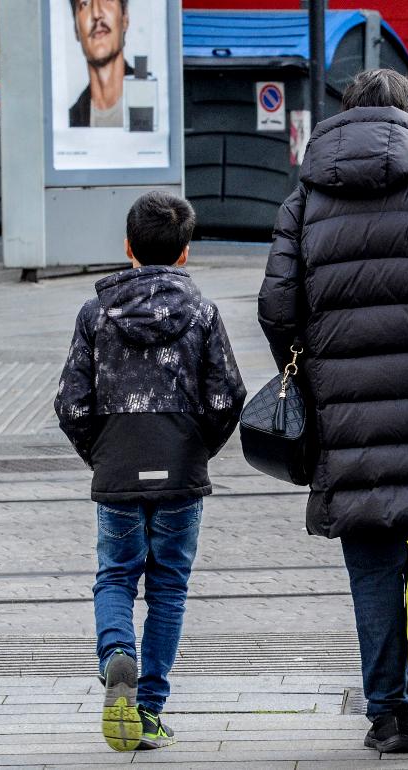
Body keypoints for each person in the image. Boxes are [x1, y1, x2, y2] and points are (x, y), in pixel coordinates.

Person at [258, 68, 408, 754]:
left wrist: (311, 366)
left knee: (370, 570)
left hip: (346, 420)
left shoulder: (303, 201)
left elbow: (276, 309)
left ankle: (386, 714)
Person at [55, 191, 246, 752]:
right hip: (181, 468)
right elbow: (227, 395)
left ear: (127, 248)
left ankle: (117, 654)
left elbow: (71, 403)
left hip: (117, 463)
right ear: (185, 253)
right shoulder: (204, 313)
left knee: (116, 575)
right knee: (169, 588)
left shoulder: (95, 314)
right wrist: (197, 447)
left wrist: (102, 451)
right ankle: (149, 710)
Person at [68, 0, 130, 127]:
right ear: (76, 29)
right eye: (84, 4)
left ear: (125, 18)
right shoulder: (72, 121)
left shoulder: (154, 99)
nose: (96, 13)